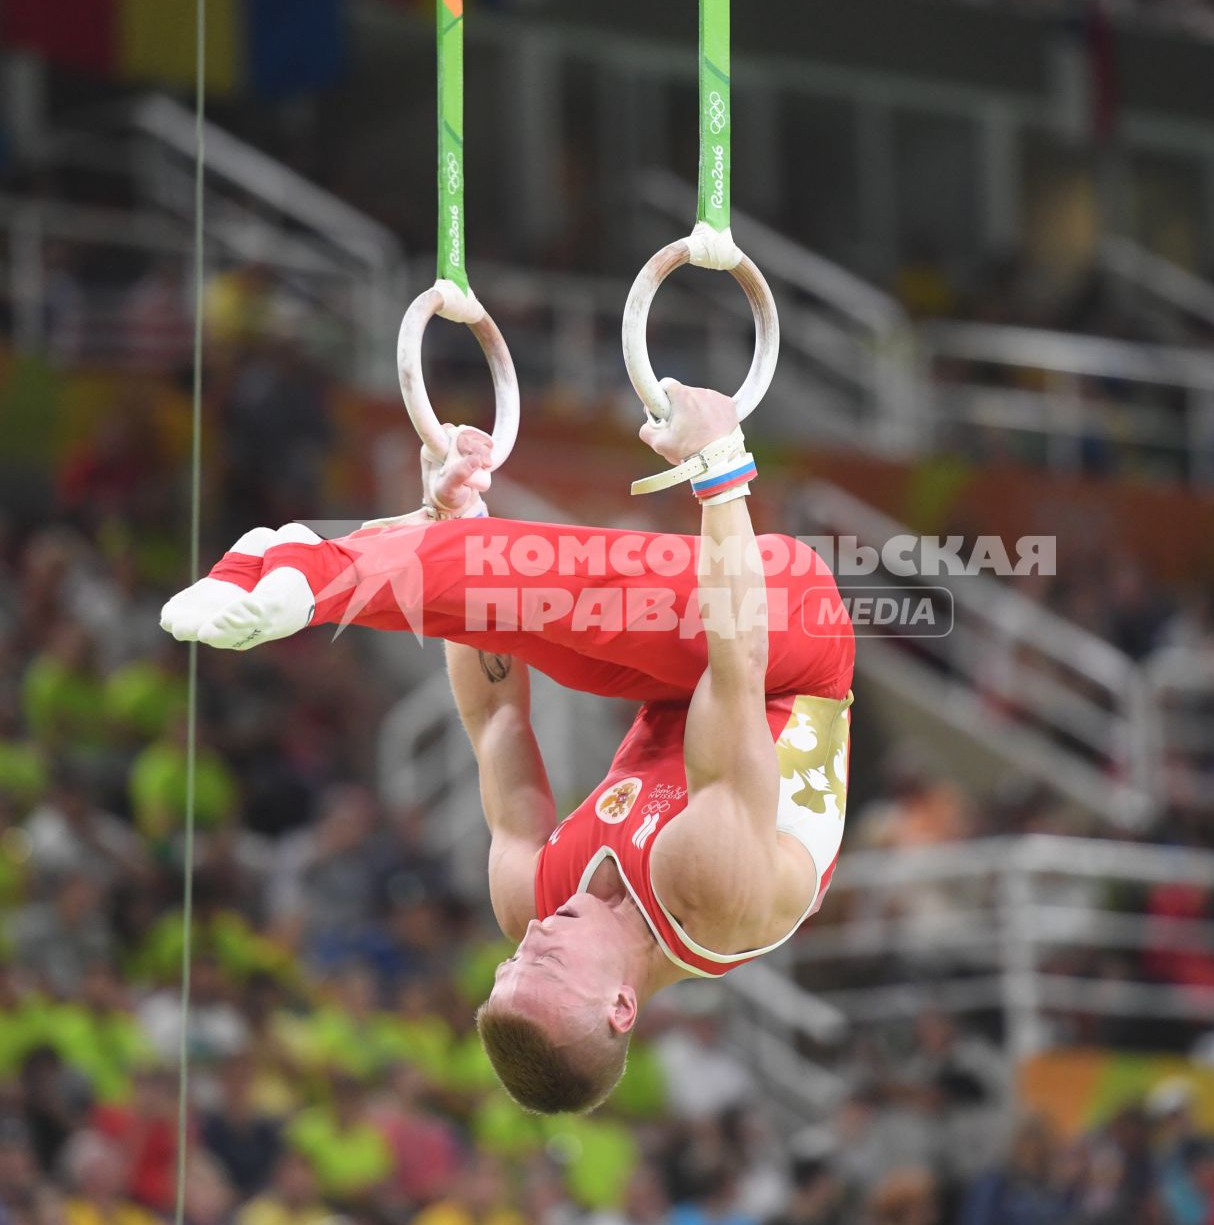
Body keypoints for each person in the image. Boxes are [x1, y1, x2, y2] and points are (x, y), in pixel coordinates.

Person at [163, 383, 855, 1116]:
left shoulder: (533, 900)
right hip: (783, 648)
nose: (537, 936)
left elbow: (496, 717)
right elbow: (736, 661)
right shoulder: (713, 887)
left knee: (544, 621)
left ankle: (348, 558)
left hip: (684, 686)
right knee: (608, 600)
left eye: (515, 958)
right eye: (547, 961)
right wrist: (721, 464)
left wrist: (456, 522)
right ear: (621, 1006)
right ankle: (327, 570)